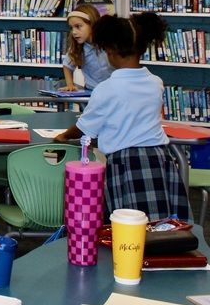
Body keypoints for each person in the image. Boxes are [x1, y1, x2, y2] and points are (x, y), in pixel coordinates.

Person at [55, 12, 189, 221]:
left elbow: (85, 128)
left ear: (110, 50)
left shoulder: (106, 88)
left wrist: (63, 136)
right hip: (160, 159)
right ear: (143, 48)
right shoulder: (156, 82)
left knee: (128, 224)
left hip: (126, 163)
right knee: (164, 222)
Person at [60, 4, 112, 91]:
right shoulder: (77, 49)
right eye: (71, 28)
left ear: (92, 24)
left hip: (113, 91)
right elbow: (67, 66)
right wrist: (70, 84)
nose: (74, 32)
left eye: (78, 26)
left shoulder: (109, 44)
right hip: (92, 92)